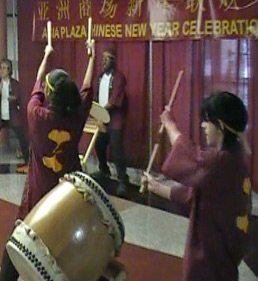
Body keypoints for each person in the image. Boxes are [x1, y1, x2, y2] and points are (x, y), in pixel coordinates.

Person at [0, 40, 96, 281]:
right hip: (68, 198)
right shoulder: (78, 116)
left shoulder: (36, 115)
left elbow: (37, 84)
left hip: (38, 197)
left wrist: (46, 56)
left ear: (50, 94)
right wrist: (91, 56)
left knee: (15, 247)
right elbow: (87, 88)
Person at [143, 91, 250, 281]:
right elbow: (194, 194)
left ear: (220, 126)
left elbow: (192, 157)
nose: (203, 126)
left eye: (207, 121)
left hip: (211, 251)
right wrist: (155, 186)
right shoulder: (236, 158)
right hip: (223, 247)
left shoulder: (220, 161)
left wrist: (169, 124)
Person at [0, 58, 29, 173]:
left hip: (12, 115)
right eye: (1, 68)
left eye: (4, 68)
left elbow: (19, 98)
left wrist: (13, 98)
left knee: (21, 137)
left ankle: (28, 160)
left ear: (9, 70)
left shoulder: (14, 83)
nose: (2, 71)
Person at [93, 45, 129, 196]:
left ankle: (122, 179)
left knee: (116, 149)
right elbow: (96, 97)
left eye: (107, 59)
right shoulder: (100, 77)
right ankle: (104, 170)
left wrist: (100, 111)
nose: (104, 62)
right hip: (102, 119)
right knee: (99, 145)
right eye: (103, 59)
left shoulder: (119, 77)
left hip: (115, 120)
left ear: (113, 61)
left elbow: (114, 100)